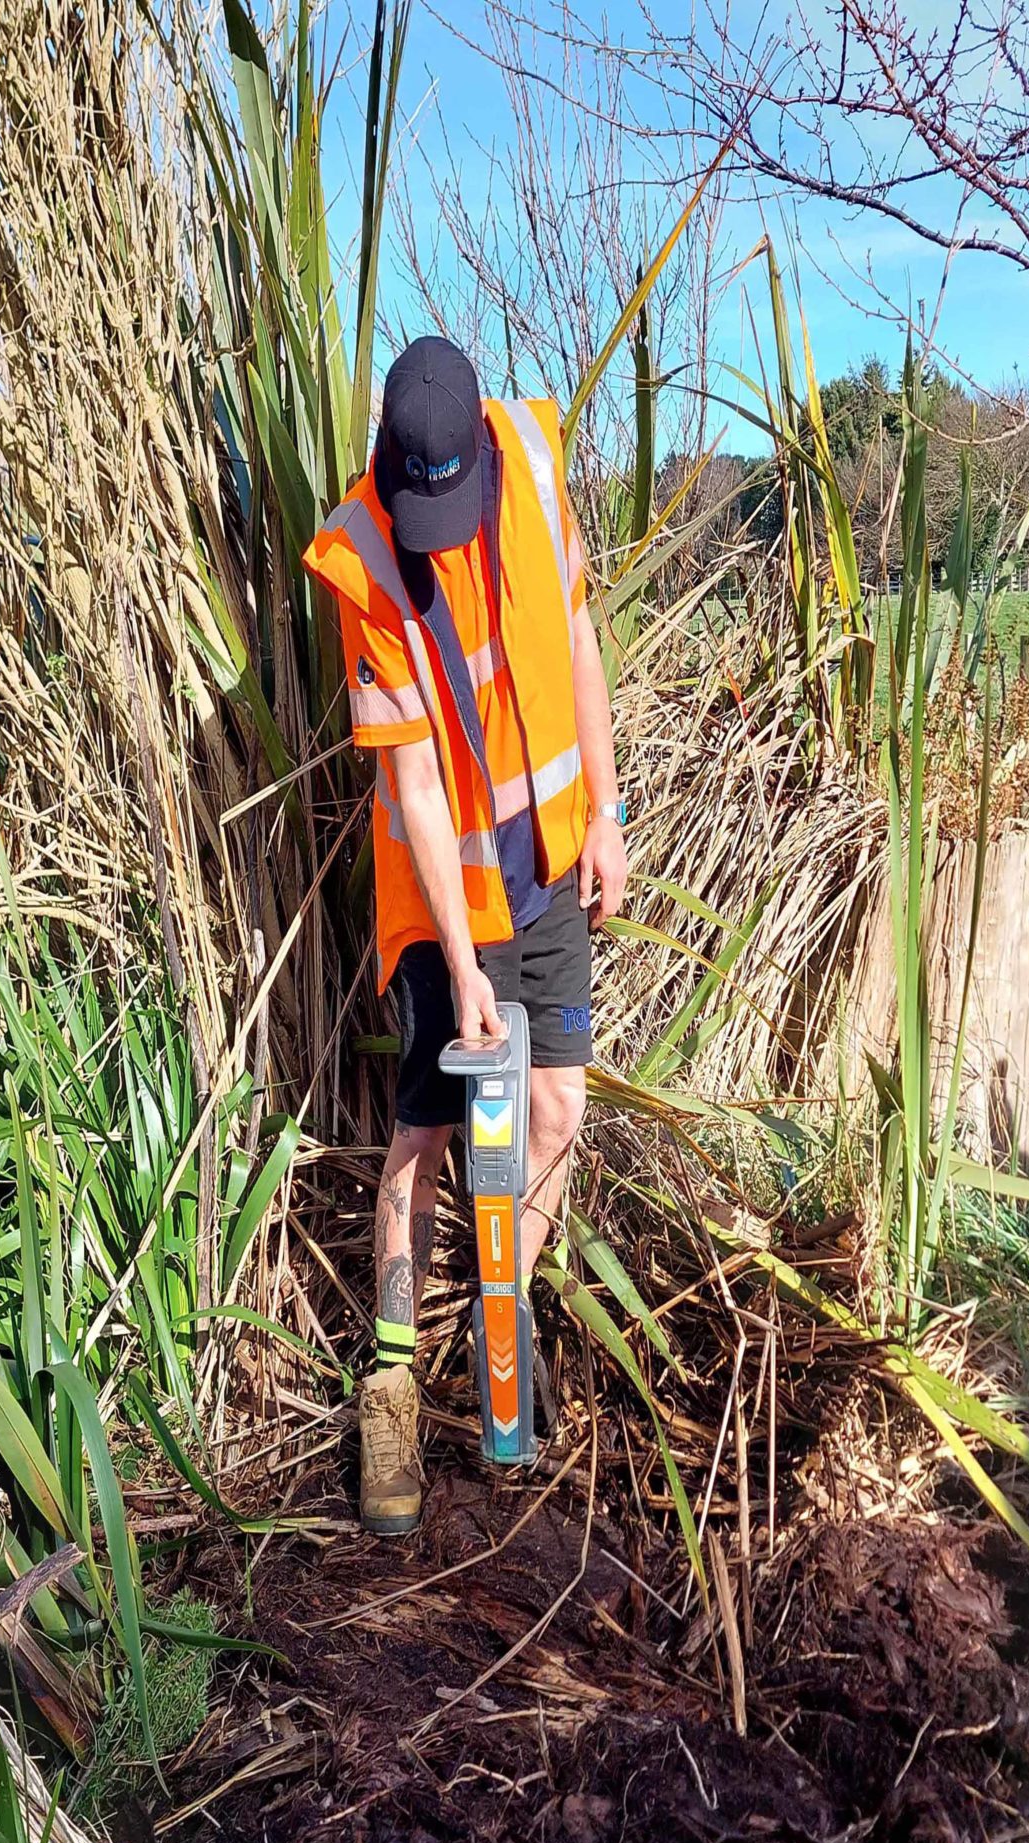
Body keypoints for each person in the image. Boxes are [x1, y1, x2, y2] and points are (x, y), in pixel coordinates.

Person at [304, 335, 627, 1536]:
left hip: (547, 867)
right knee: (429, 1132)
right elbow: (419, 797)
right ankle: (388, 1385)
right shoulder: (368, 558)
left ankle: (509, 1315)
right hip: (445, 897)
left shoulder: (532, 466)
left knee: (553, 1112)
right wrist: (455, 959)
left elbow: (579, 642)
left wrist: (603, 807)